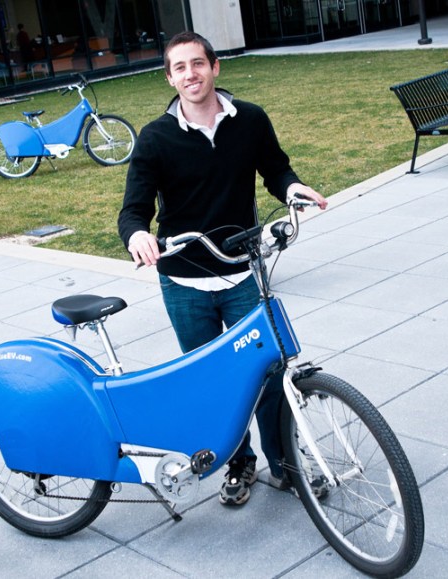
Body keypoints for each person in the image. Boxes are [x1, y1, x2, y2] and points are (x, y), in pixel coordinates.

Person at [118, 31, 327, 507]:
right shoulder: (156, 138)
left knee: (272, 372)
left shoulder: (249, 119)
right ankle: (239, 462)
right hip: (185, 279)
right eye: (179, 68)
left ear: (215, 67)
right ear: (169, 77)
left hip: (240, 270)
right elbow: (133, 209)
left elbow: (276, 170)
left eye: (198, 63)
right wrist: (137, 236)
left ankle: (285, 465)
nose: (190, 74)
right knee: (213, 382)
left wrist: (292, 189)